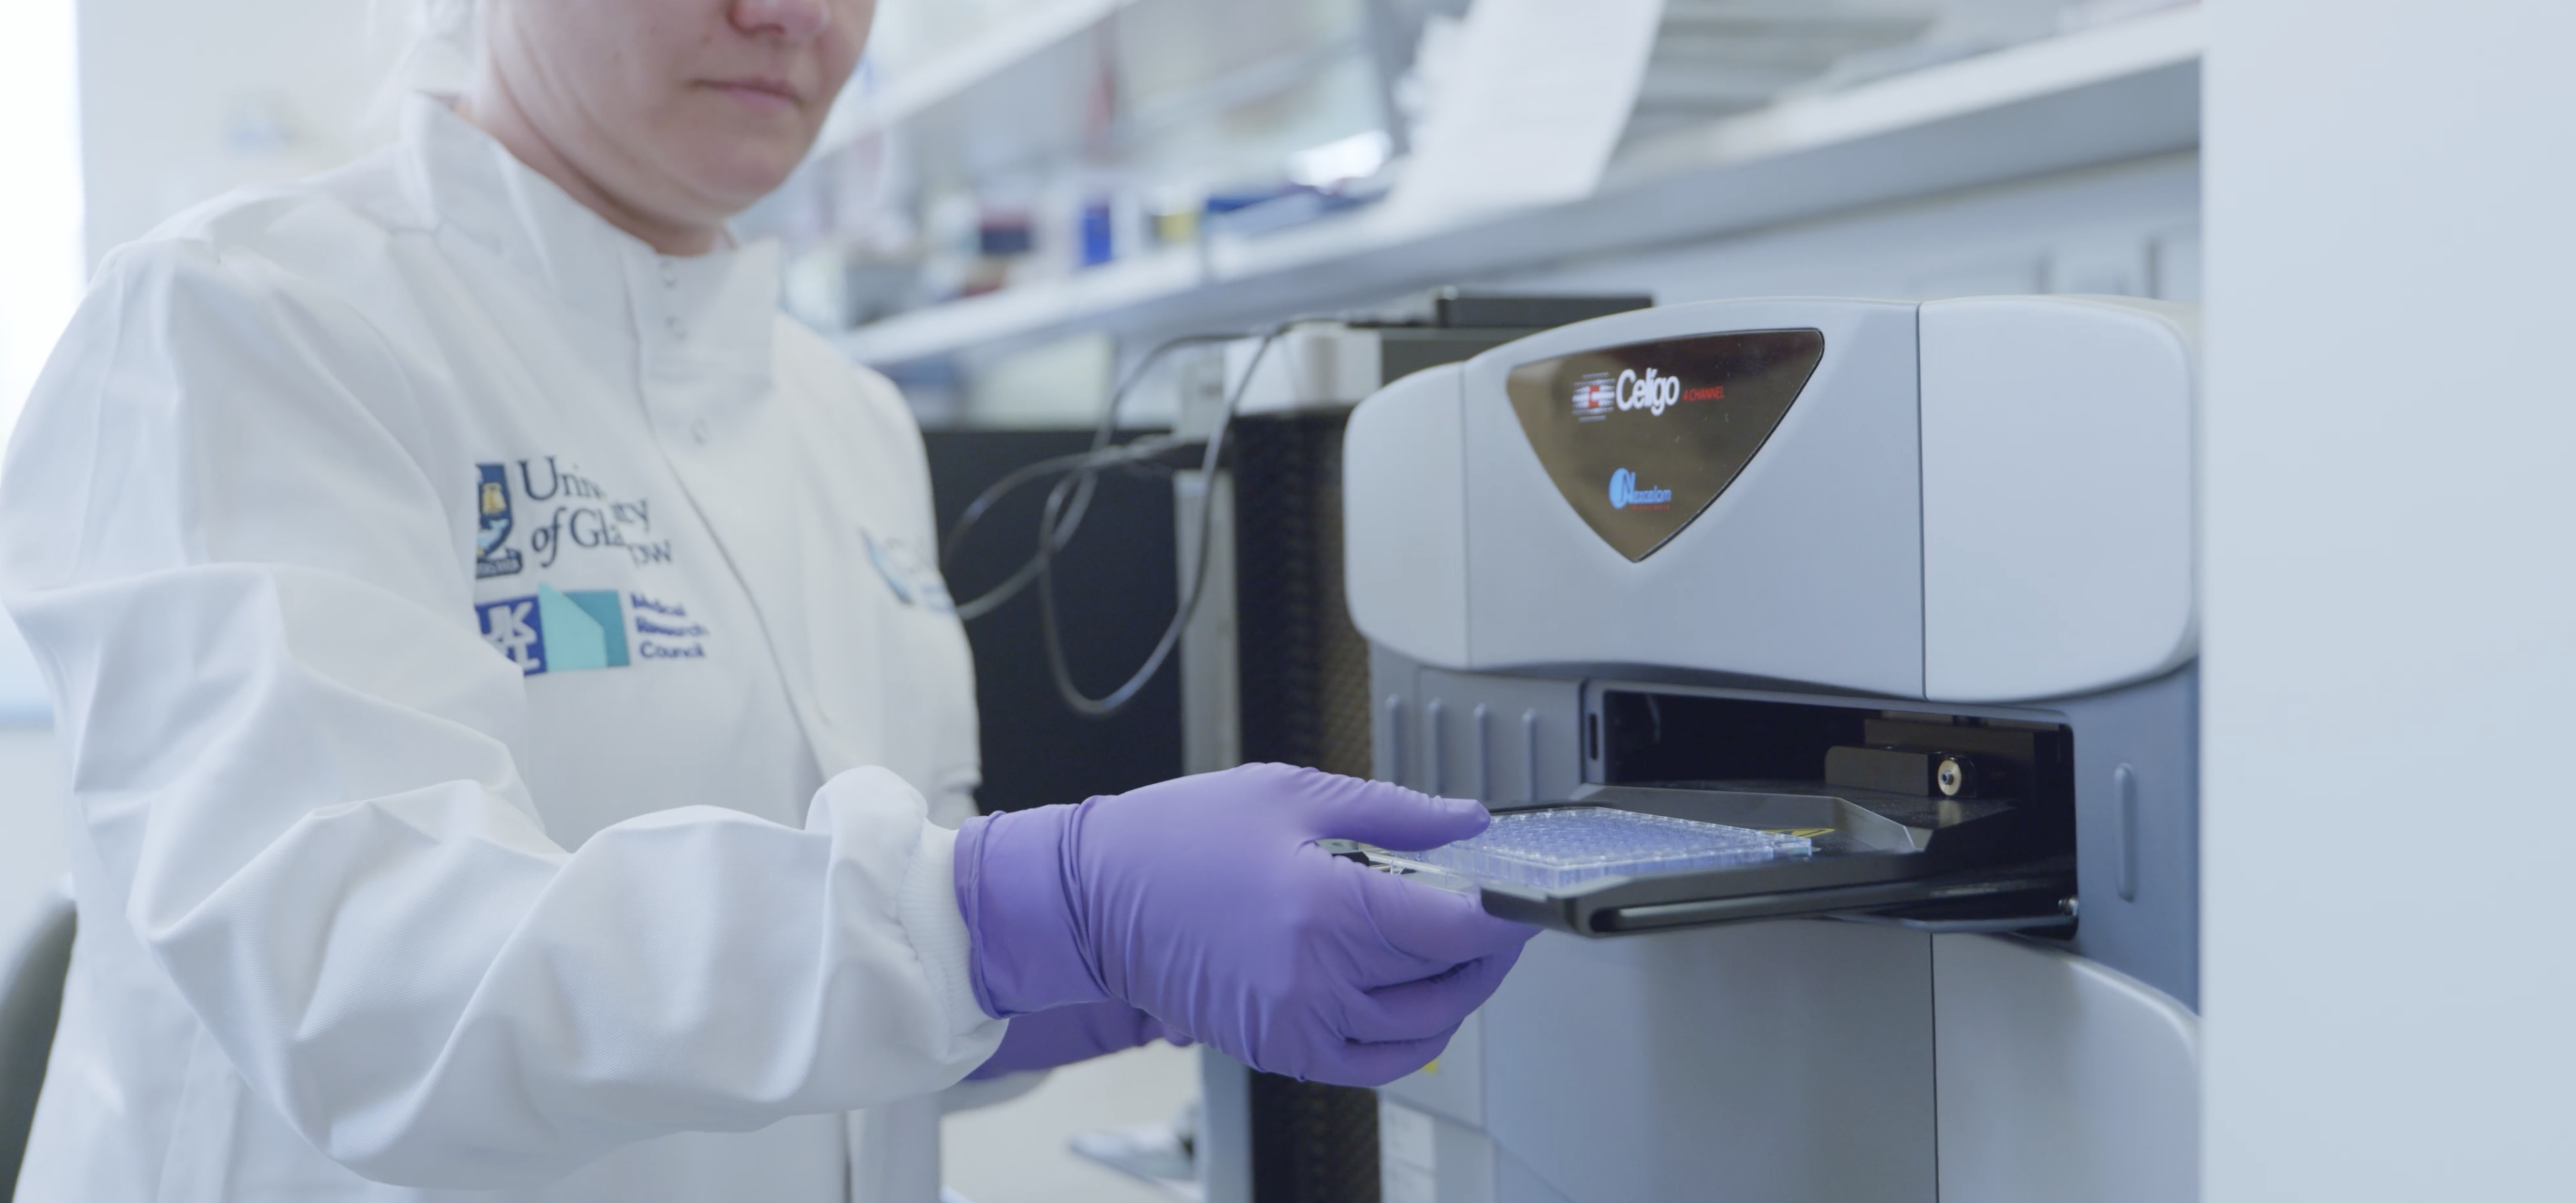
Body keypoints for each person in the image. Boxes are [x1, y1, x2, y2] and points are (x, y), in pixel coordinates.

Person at [0, 0, 1536, 1199]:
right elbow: (367, 983)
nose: (793, 15)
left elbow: (844, 985)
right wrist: (1019, 909)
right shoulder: (245, 322)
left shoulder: (845, 417)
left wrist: (1073, 978)